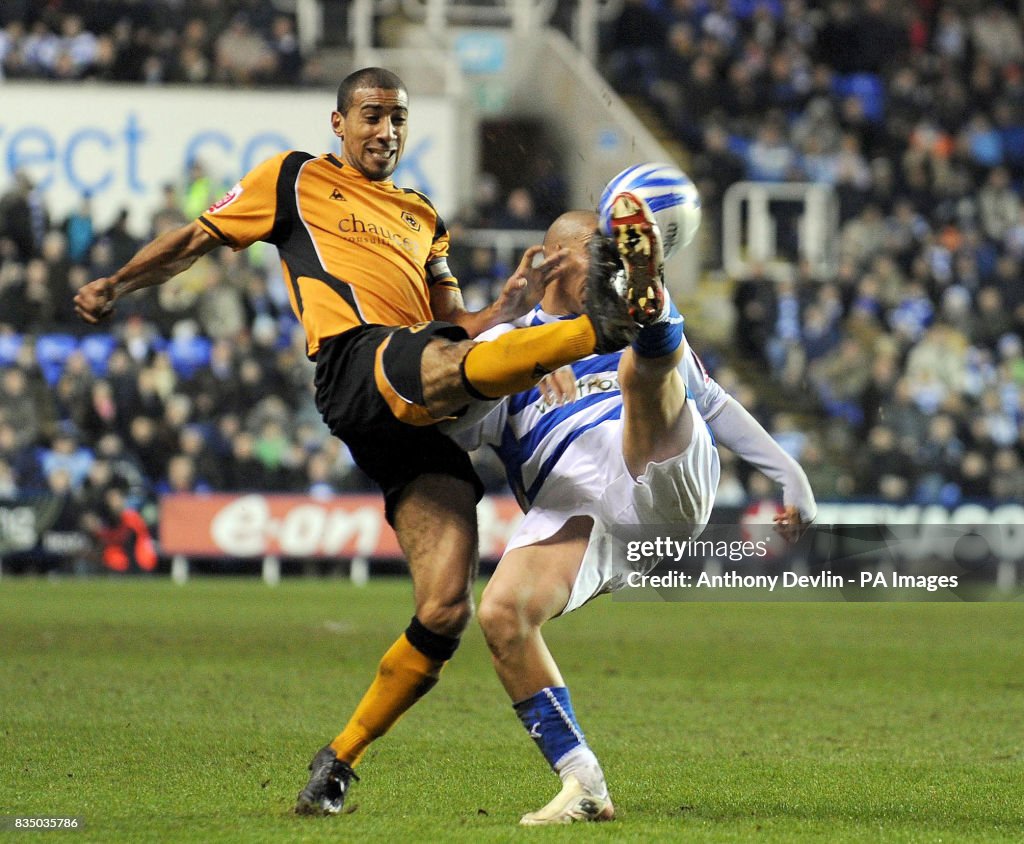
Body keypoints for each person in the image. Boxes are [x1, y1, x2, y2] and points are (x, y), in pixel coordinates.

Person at [72, 67, 636, 815]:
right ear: (339, 123)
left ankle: (338, 761)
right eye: (372, 116)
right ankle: (608, 329)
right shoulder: (293, 178)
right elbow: (195, 240)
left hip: (418, 392)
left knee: (444, 611)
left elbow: (461, 328)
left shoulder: (423, 217)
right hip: (357, 364)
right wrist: (116, 283)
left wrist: (512, 307)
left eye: (399, 120)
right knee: (435, 361)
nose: (387, 132)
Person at [453, 201, 817, 824]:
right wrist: (520, 369)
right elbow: (455, 429)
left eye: (620, 252)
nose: (608, 260)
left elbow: (716, 403)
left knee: (640, 366)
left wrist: (790, 475)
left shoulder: (615, 319)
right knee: (501, 614)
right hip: (578, 505)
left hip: (665, 468)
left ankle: (655, 325)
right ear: (556, 261)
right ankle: (583, 782)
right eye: (601, 250)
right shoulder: (504, 343)